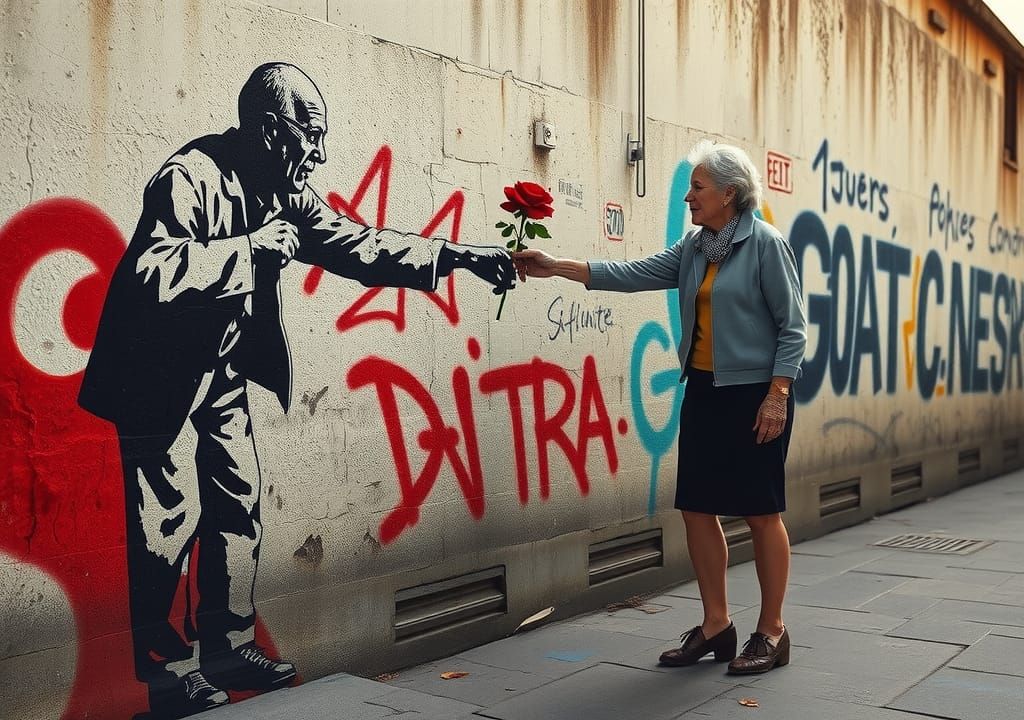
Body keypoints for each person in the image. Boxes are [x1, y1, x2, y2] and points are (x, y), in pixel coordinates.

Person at [78, 62, 514, 719]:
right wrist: (248, 248)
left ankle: (226, 648)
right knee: (166, 525)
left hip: (216, 370)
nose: (321, 152)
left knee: (236, 506)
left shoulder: (285, 191)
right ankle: (168, 677)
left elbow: (358, 244)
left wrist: (458, 256)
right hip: (153, 375)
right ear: (269, 128)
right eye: (311, 135)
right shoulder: (189, 177)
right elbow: (151, 274)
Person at [513, 139, 806, 675]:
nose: (689, 198)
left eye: (698, 188)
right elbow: (635, 272)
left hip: (756, 395)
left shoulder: (765, 245)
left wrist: (778, 395)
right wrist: (557, 266)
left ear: (729, 194)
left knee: (761, 512)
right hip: (704, 390)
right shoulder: (695, 248)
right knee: (696, 506)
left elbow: (793, 328)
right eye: (691, 187)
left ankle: (772, 631)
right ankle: (717, 624)